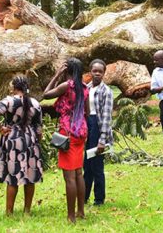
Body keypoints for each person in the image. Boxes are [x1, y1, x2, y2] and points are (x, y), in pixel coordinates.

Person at [0, 76, 43, 216]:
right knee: (30, 176)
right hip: (30, 139)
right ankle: (27, 211)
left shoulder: (8, 101)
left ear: (13, 87)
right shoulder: (35, 103)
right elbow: (39, 127)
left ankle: (9, 212)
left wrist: (1, 128)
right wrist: (37, 141)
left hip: (13, 139)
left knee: (13, 177)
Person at [43, 58, 89, 223]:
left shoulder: (66, 86)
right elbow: (87, 112)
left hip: (67, 133)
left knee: (69, 177)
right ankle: (81, 212)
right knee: (78, 173)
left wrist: (56, 75)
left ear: (67, 70)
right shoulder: (84, 88)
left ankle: (71, 217)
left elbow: (45, 95)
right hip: (81, 132)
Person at [83, 59, 113, 206]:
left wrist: (102, 140)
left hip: (98, 126)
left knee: (96, 165)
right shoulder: (86, 88)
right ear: (90, 72)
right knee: (86, 164)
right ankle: (84, 196)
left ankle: (99, 199)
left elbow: (107, 117)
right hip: (87, 126)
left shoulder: (106, 91)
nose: (97, 74)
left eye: (100, 71)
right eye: (94, 71)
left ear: (104, 73)